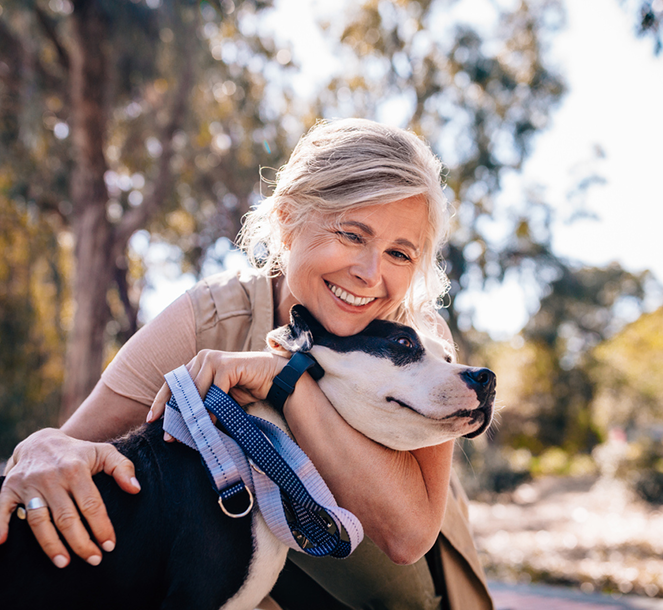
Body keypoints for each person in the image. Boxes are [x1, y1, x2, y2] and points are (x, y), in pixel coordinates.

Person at [0, 118, 493, 610]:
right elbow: (74, 448)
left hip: (406, 590)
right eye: (351, 234)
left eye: (399, 254)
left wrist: (286, 383)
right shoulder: (211, 316)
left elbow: (406, 537)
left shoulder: (422, 342)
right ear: (287, 220)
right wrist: (42, 449)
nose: (369, 274)